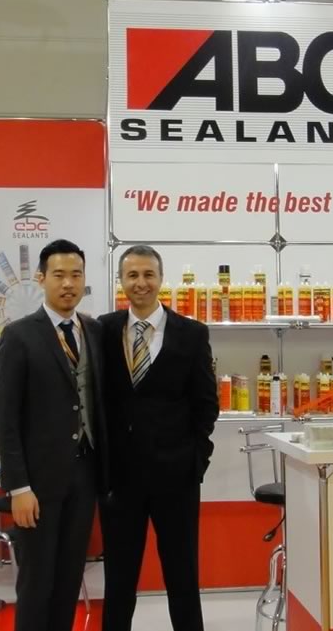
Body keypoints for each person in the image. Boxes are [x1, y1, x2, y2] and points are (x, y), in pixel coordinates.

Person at [100, 245, 219, 631]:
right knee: (119, 580)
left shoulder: (192, 334)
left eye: (148, 274)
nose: (141, 283)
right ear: (121, 281)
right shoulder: (102, 330)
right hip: (119, 480)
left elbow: (206, 405)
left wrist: (195, 460)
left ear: (161, 279)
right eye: (132, 275)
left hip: (176, 477)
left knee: (182, 577)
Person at [0, 239, 107, 631]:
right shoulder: (20, 335)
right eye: (59, 275)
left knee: (69, 579)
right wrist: (18, 487)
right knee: (37, 582)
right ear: (41, 279)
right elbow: (6, 418)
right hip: (37, 485)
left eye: (76, 275)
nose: (68, 283)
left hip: (84, 477)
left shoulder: (93, 331)